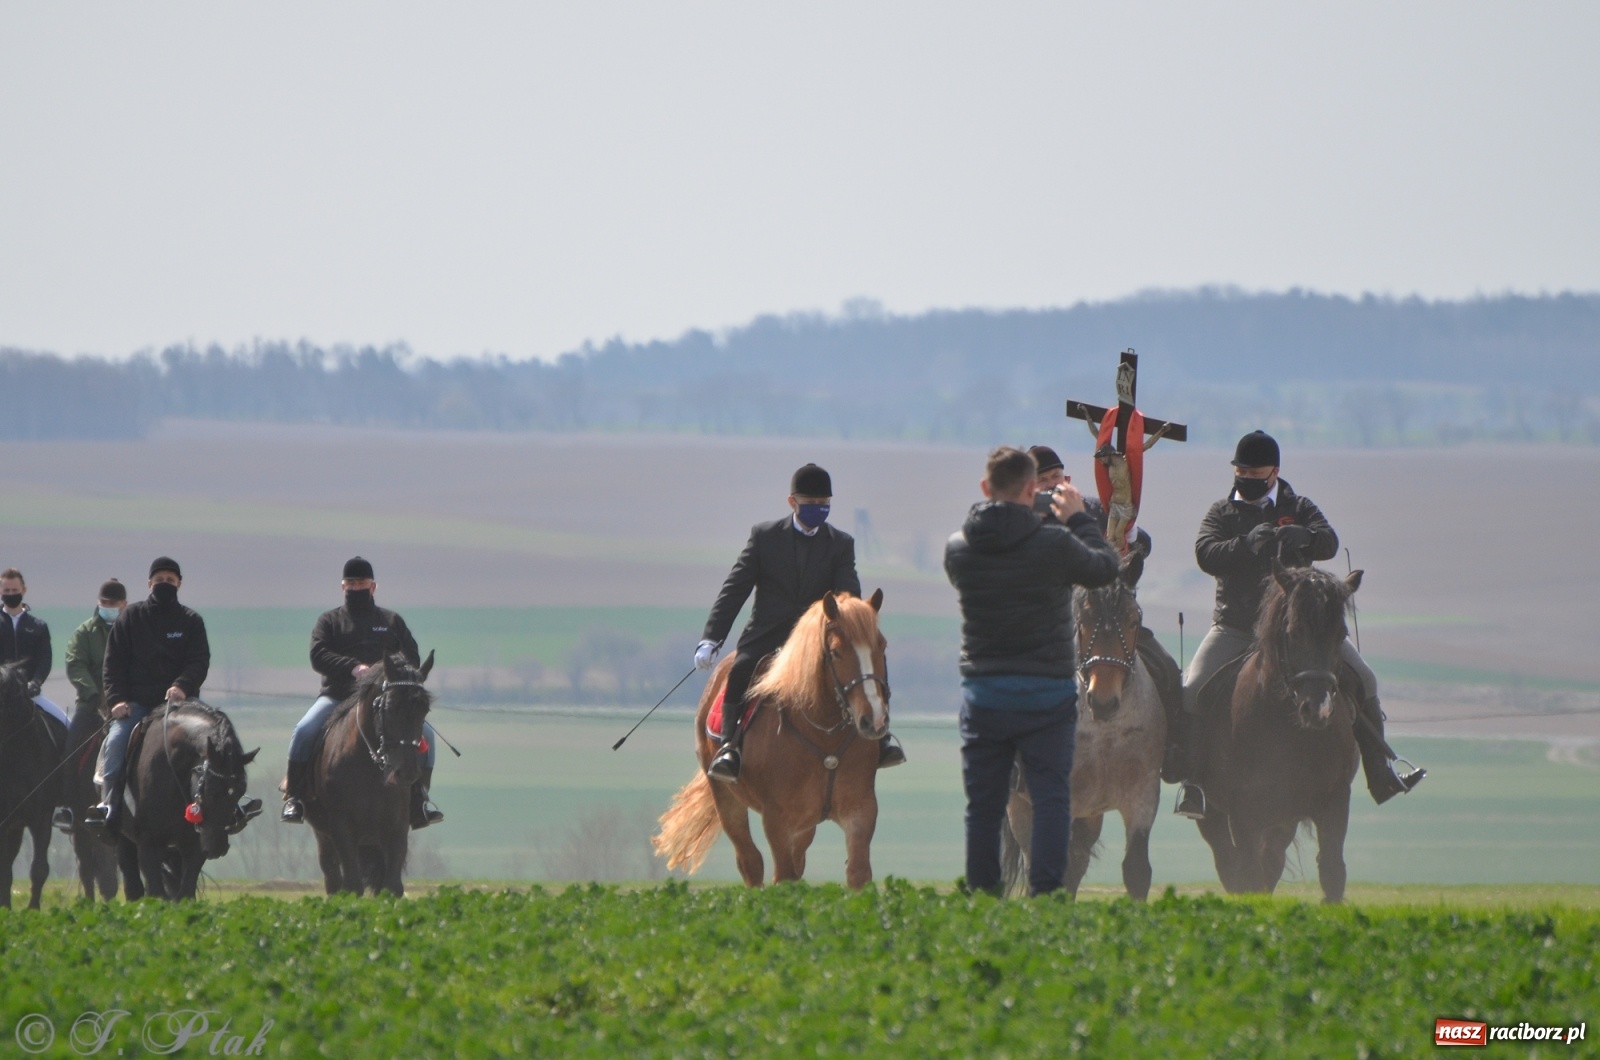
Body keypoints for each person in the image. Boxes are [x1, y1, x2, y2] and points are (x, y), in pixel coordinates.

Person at [1171, 430, 1426, 819]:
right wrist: (1246, 544)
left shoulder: (1299, 505)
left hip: (1300, 633)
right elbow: (1206, 553)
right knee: (1192, 689)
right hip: (1236, 626)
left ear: (1274, 472)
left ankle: (1381, 772)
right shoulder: (1221, 512)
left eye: (1254, 471)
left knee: (1366, 679)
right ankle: (1194, 786)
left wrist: (1304, 535)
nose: (1246, 477)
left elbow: (1329, 542)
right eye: (1240, 470)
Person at [944, 446, 1121, 896]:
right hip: (1047, 692)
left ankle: (984, 893)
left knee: (984, 804)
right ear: (1032, 490)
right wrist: (1079, 518)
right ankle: (1047, 894)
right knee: (1051, 798)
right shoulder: (1057, 543)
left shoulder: (959, 549)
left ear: (986, 489)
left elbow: (981, 534)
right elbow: (1104, 568)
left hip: (985, 692)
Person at [695, 463, 905, 782]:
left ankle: (881, 732)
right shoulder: (764, 537)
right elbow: (735, 589)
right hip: (768, 631)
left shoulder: (841, 543)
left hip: (817, 637)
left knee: (870, 654)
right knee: (741, 667)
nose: (818, 511)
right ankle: (729, 746)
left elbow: (848, 591)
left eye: (825, 505)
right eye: (811, 505)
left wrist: (854, 620)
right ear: (792, 502)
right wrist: (712, 638)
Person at [280, 556, 442, 828]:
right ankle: (294, 796)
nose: (356, 588)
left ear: (373, 586)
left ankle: (419, 799)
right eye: (351, 584)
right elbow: (318, 655)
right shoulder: (329, 621)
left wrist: (381, 672)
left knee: (427, 735)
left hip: (385, 702)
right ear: (343, 586)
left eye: (362, 583)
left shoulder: (391, 621)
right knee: (304, 730)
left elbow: (411, 657)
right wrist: (352, 668)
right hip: (337, 697)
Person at [86, 557, 224, 836]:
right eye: (160, 581)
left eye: (170, 581)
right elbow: (112, 665)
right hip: (137, 705)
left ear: (179, 584)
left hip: (182, 706)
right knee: (114, 743)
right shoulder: (130, 618)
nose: (165, 585)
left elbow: (199, 660)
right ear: (149, 583)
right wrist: (116, 701)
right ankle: (109, 805)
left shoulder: (191, 621)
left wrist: (182, 686)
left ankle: (226, 807)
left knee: (217, 738)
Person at [51, 579, 126, 832]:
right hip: (90, 705)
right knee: (70, 749)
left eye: (112, 604)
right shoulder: (85, 633)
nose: (108, 607)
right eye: (104, 603)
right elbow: (75, 663)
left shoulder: (133, 631)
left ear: (123, 605)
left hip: (125, 705)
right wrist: (93, 694)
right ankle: (67, 808)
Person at [0, 567, 69, 731]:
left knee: (68, 725)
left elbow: (45, 658)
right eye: (6, 590)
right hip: (1, 695)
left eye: (15, 590)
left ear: (24, 590)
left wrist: (36, 682)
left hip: (30, 694)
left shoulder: (38, 626)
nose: (11, 594)